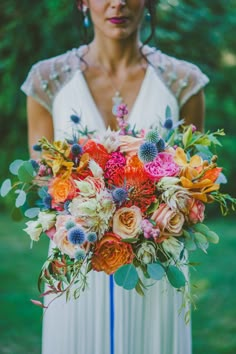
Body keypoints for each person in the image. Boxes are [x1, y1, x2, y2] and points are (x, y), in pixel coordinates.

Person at [21, 1, 209, 353]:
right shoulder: (46, 81)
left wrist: (158, 214)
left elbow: (194, 183)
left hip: (156, 271)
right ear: (82, 2)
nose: (118, 3)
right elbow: (42, 186)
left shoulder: (184, 82)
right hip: (77, 270)